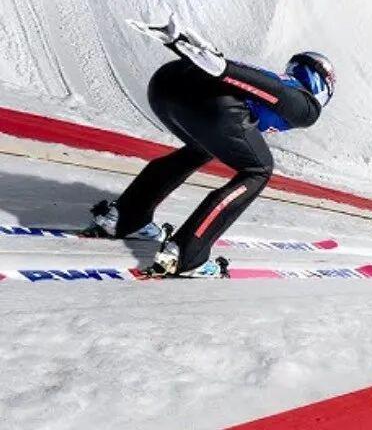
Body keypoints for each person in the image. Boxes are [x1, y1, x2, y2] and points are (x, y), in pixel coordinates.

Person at [87, 15, 334, 278]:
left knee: (200, 149)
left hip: (166, 86)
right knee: (259, 170)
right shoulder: (307, 106)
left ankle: (126, 217)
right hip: (214, 107)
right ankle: (188, 254)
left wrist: (182, 48)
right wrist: (224, 68)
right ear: (323, 85)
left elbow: (239, 76)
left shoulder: (281, 79)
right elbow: (274, 92)